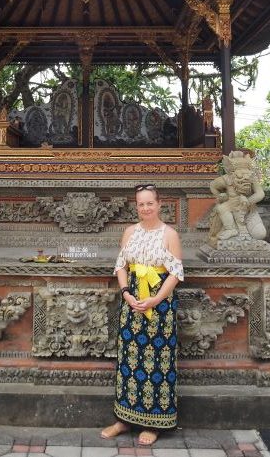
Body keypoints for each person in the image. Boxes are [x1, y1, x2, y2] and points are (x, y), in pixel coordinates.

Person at [101, 183, 184, 446]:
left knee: (157, 360)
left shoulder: (169, 234)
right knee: (129, 359)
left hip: (160, 304)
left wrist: (157, 299)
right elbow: (121, 265)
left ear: (160, 204)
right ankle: (124, 419)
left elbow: (176, 272)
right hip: (133, 300)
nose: (145, 208)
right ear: (136, 207)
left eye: (150, 203)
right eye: (141, 204)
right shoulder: (129, 232)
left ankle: (153, 422)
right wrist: (126, 293)